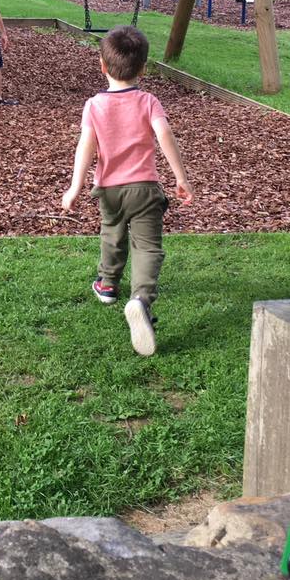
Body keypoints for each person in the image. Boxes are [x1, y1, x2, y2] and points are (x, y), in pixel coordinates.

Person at [61, 26, 193, 356]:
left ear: (103, 66)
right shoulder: (148, 101)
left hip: (108, 189)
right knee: (148, 247)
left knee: (112, 233)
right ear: (143, 69)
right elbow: (165, 137)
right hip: (145, 187)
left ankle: (107, 285)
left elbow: (85, 147)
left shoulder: (94, 105)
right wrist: (181, 177)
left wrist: (75, 187)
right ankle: (141, 300)